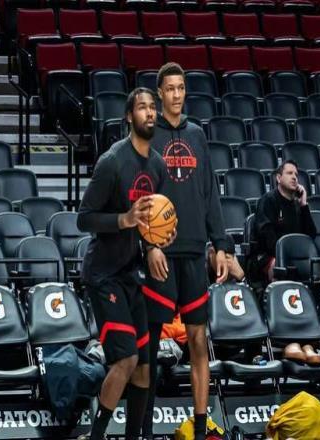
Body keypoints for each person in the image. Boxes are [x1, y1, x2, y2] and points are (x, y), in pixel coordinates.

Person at [77, 87, 172, 440]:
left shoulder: (158, 165)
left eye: (152, 107)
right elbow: (84, 218)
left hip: (132, 273)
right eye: (142, 108)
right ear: (130, 117)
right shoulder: (112, 161)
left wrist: (157, 243)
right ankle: (96, 435)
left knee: (145, 368)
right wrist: (124, 219)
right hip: (103, 274)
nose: (150, 113)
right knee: (126, 360)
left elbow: (155, 222)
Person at [142, 62, 228, 440]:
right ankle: (144, 428)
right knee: (150, 344)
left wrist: (220, 244)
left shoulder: (196, 134)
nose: (177, 95)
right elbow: (140, 193)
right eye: (171, 89)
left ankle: (200, 427)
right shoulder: (149, 135)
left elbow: (210, 192)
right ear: (160, 93)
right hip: (161, 252)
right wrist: (148, 245)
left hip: (194, 251)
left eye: (181, 88)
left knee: (197, 341)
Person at [253, 160, 316, 283]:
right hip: (269, 256)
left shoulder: (298, 205)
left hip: (295, 256)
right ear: (278, 178)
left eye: (296, 174)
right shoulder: (268, 200)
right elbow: (268, 239)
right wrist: (287, 255)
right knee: (277, 265)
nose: (294, 177)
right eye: (289, 173)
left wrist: (304, 205)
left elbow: (310, 236)